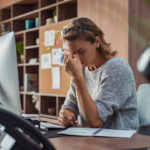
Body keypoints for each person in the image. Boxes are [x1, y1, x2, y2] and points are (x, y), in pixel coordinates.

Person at [58, 17, 139, 129]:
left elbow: (95, 121)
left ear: (97, 41)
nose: (76, 58)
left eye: (81, 51)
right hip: (92, 141)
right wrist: (66, 115)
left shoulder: (117, 67)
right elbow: (70, 105)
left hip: (121, 143)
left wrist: (77, 77)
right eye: (71, 53)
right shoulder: (82, 69)